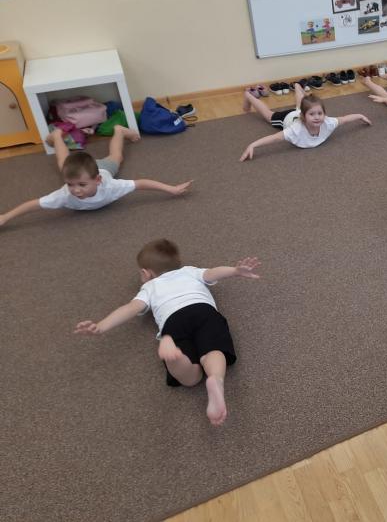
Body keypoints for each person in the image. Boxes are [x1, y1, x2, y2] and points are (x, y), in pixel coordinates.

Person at [74, 239, 260, 426]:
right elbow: (212, 273)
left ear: (145, 273)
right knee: (213, 350)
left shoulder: (149, 287)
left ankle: (176, 359)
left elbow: (130, 308)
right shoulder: (189, 271)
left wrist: (101, 326)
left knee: (190, 379)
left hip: (173, 322)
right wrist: (235, 270)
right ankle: (216, 379)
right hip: (204, 312)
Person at [0, 125, 192, 228]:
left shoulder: (110, 185)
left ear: (97, 181)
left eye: (81, 185)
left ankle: (119, 131)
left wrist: (171, 189)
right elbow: (34, 204)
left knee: (117, 157)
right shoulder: (64, 194)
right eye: (70, 184)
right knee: (63, 164)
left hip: (102, 168)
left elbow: (141, 183)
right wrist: (5, 217)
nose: (75, 190)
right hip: (82, 168)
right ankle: (57, 135)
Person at [240, 83, 371, 160]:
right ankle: (249, 96)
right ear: (304, 117)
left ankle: (297, 87)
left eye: (320, 113)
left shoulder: (327, 122)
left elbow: (344, 119)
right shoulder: (295, 130)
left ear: (324, 114)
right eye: (312, 115)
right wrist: (253, 145)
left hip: (300, 111)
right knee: (269, 115)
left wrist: (359, 116)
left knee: (301, 106)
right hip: (287, 117)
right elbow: (275, 138)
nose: (317, 117)